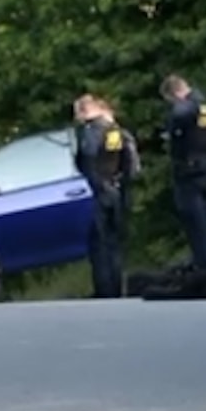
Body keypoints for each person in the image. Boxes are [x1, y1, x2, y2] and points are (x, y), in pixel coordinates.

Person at [73, 94, 139, 298]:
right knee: (114, 243)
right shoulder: (118, 132)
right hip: (117, 190)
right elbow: (133, 167)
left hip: (97, 192)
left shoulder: (91, 132)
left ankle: (104, 290)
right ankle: (117, 287)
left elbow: (89, 160)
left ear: (85, 111)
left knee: (99, 243)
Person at [159, 74, 206, 271]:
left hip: (190, 171)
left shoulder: (187, 107)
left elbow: (179, 115)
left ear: (176, 93)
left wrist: (171, 130)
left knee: (195, 220)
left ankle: (204, 263)